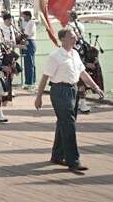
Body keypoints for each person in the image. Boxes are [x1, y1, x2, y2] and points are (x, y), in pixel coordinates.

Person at [34, 27, 104, 173]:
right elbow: (45, 77)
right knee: (69, 124)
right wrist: (39, 97)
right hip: (60, 91)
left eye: (75, 36)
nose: (75, 38)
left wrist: (96, 87)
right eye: (72, 36)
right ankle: (74, 160)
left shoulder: (75, 54)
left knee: (64, 123)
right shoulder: (55, 56)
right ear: (63, 39)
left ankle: (57, 156)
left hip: (73, 90)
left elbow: (82, 73)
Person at [21, 11, 37, 89]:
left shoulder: (30, 23)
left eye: (24, 16)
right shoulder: (31, 22)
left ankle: (29, 83)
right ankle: (32, 81)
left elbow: (26, 35)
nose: (23, 18)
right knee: (31, 63)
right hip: (30, 42)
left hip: (29, 43)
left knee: (29, 63)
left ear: (28, 16)